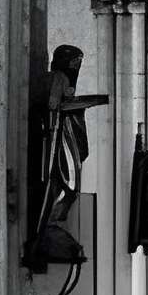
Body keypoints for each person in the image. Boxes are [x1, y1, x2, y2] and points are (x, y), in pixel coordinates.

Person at [26, 42, 110, 269]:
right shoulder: (58, 78)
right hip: (57, 142)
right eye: (74, 62)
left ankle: (50, 227)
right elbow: (55, 105)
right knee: (65, 186)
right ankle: (47, 229)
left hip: (62, 138)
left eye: (79, 63)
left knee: (67, 188)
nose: (77, 67)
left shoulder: (61, 79)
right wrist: (96, 100)